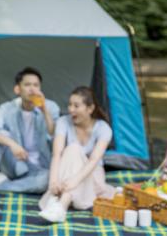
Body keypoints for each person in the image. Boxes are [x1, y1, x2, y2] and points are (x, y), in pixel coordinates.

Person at [0, 67, 60, 204]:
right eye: (27, 85)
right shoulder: (8, 108)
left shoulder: (51, 107)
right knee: (0, 136)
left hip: (40, 168)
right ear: (17, 89)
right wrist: (12, 144)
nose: (32, 89)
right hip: (15, 163)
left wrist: (44, 111)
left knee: (47, 181)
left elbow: (55, 135)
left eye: (36, 85)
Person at [38, 86, 116, 222]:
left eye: (76, 106)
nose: (70, 109)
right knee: (72, 150)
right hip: (67, 176)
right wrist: (53, 182)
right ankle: (60, 205)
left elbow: (93, 160)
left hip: (92, 175)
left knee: (74, 148)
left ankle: (60, 203)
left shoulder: (103, 128)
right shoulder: (63, 122)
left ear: (90, 109)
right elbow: (57, 154)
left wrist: (74, 181)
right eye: (69, 105)